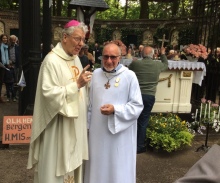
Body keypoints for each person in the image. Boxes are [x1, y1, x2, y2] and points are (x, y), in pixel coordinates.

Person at [27, 20, 92, 183]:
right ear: (64, 37)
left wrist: (86, 85)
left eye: (83, 40)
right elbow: (48, 94)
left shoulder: (75, 59)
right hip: (58, 127)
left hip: (75, 126)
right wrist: (76, 85)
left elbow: (81, 90)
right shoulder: (51, 61)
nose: (81, 44)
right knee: (54, 171)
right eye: (77, 39)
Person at [84, 43, 144, 183]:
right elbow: (89, 105)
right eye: (105, 57)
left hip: (119, 136)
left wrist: (115, 110)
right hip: (97, 134)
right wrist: (86, 128)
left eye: (113, 57)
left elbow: (137, 106)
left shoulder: (129, 76)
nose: (109, 61)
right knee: (97, 166)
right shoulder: (96, 75)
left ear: (120, 57)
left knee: (117, 167)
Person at [129, 46, 168, 154]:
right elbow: (166, 64)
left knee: (132, 119)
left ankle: (129, 144)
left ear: (142, 54)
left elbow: (129, 70)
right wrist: (163, 54)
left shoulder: (136, 64)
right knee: (143, 121)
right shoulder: (157, 65)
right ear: (153, 54)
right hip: (149, 96)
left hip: (136, 95)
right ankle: (140, 146)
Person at [0, 34, 9, 103]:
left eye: (6, 38)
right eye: (3, 38)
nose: (5, 39)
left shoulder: (6, 47)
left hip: (4, 66)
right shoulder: (0, 46)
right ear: (1, 39)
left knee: (1, 81)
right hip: (0, 65)